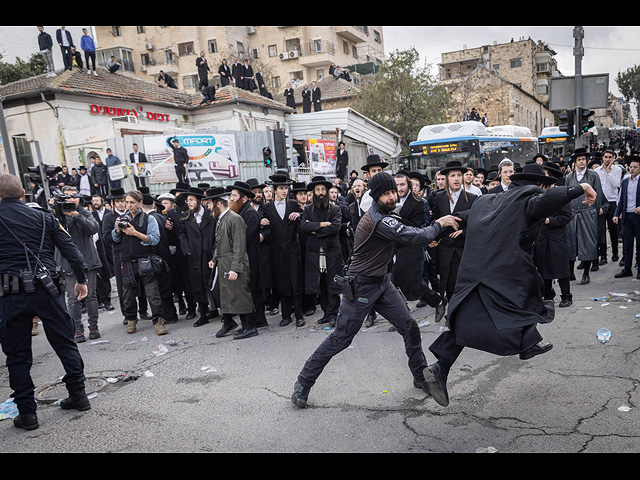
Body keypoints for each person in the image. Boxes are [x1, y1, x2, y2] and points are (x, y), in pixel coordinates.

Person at [424, 163, 597, 407]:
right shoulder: (528, 198)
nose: (545, 190)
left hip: (475, 275)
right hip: (502, 274)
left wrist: (434, 232)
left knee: (466, 322)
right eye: (544, 187)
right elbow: (543, 203)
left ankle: (440, 368)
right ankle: (527, 343)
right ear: (537, 186)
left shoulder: (489, 201)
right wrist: (581, 188)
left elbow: (460, 219)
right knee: (530, 294)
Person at [291, 171, 461, 408]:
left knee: (409, 327)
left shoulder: (385, 214)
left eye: (393, 191)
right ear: (376, 196)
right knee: (341, 338)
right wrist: (438, 224)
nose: (392, 196)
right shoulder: (379, 220)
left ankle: (420, 375)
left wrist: (429, 233)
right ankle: (303, 383)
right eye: (387, 193)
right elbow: (415, 236)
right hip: (361, 287)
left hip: (382, 283)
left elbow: (408, 233)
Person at [0, 174, 91, 430]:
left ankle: (28, 414)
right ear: (22, 194)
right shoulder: (45, 217)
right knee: (64, 343)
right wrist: (81, 279)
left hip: (10, 294)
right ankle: (79, 395)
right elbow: (72, 252)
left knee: (17, 356)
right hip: (47, 289)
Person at [112, 190, 167, 336]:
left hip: (145, 261)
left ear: (140, 203)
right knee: (128, 295)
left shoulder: (149, 219)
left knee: (153, 293)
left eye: (132, 202)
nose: (129, 205)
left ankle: (158, 321)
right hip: (127, 262)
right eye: (127, 202)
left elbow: (154, 239)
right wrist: (117, 230)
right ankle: (131, 319)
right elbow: (115, 239)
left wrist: (135, 233)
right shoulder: (122, 218)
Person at [429, 161, 477, 320]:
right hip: (444, 248)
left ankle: (460, 315)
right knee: (447, 282)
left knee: (461, 283)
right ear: (447, 178)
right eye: (452, 176)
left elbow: (479, 224)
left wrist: (464, 231)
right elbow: (435, 220)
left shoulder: (472, 198)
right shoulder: (439, 197)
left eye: (459, 175)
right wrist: (433, 237)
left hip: (463, 248)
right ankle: (450, 311)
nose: (456, 179)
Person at [208, 188, 257, 340]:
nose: (208, 208)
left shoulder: (234, 219)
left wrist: (235, 268)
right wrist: (214, 259)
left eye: (210, 204)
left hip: (235, 263)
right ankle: (236, 325)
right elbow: (220, 243)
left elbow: (239, 246)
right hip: (224, 263)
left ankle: (250, 327)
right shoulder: (222, 218)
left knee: (241, 295)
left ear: (218, 204)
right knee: (231, 296)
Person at [55, 187, 102, 343]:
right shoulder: (58, 214)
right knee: (73, 298)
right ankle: (77, 329)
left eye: (72, 196)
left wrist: (77, 215)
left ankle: (93, 327)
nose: (69, 200)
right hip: (67, 263)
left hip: (88, 261)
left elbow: (93, 228)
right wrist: (55, 209)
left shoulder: (84, 212)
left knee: (90, 295)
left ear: (79, 198)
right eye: (65, 197)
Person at [262, 173, 305, 326]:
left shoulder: (293, 204)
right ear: (274, 190)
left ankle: (299, 315)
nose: (285, 191)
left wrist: (298, 214)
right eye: (281, 188)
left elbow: (304, 215)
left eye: (286, 188)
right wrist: (261, 220)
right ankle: (286, 315)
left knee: (296, 282)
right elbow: (259, 222)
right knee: (281, 283)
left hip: (293, 249)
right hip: (277, 252)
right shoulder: (267, 207)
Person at [300, 176, 343, 327]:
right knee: (321, 285)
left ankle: (334, 315)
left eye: (322, 189)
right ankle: (326, 313)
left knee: (333, 284)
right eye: (317, 190)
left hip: (331, 253)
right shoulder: (307, 209)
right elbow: (303, 227)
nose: (320, 193)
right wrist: (322, 224)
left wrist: (314, 229)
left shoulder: (336, 209)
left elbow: (335, 228)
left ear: (326, 191)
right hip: (315, 254)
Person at [227, 181, 268, 328]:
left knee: (252, 289)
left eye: (234, 195)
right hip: (245, 257)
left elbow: (244, 238)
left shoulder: (250, 214)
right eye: (231, 195)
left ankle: (259, 320)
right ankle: (257, 319)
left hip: (251, 258)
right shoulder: (240, 212)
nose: (231, 198)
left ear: (244, 198)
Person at [534, 162, 574, 307]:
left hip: (557, 236)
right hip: (541, 236)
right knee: (543, 267)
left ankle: (566, 296)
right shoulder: (539, 192)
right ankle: (548, 294)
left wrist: (549, 220)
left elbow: (567, 216)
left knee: (561, 267)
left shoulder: (561, 193)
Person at [565, 148, 607, 285]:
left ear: (586, 161)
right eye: (579, 160)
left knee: (588, 242)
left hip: (587, 212)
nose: (581, 162)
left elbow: (598, 195)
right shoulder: (569, 177)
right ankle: (570, 272)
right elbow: (565, 196)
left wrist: (593, 211)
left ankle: (586, 273)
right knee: (570, 242)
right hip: (572, 214)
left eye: (583, 159)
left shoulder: (593, 175)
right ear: (575, 162)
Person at [178, 187, 216, 327]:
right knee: (197, 285)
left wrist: (214, 251)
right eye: (188, 200)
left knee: (213, 283)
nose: (189, 203)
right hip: (194, 256)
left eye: (192, 200)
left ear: (199, 201)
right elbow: (181, 234)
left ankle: (220, 311)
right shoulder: (186, 217)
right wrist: (187, 249)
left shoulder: (211, 216)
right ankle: (203, 314)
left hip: (209, 255)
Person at [594, 149, 624, 264]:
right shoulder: (597, 171)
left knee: (613, 230)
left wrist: (608, 172)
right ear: (603, 158)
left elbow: (617, 184)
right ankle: (603, 256)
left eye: (610, 157)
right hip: (601, 202)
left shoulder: (617, 170)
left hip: (612, 202)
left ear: (613, 158)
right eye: (606, 157)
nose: (607, 159)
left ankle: (615, 253)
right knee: (601, 231)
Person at [613, 156, 640, 279]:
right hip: (626, 216)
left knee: (639, 244)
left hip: (638, 216)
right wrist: (616, 214)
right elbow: (620, 200)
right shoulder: (625, 181)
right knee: (627, 244)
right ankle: (627, 268)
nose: (632, 169)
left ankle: (639, 268)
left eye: (635, 167)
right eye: (631, 167)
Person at [91, 194, 115, 312]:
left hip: (108, 246)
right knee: (99, 275)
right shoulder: (91, 216)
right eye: (93, 201)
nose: (95, 202)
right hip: (96, 249)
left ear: (102, 201)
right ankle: (102, 299)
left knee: (107, 270)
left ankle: (107, 297)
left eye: (97, 200)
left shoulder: (109, 213)